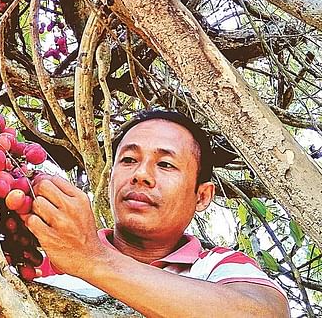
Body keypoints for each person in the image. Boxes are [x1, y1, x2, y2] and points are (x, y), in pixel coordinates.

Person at [24, 109, 290, 317]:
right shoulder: (44, 260)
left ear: (202, 196)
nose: (141, 175)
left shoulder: (217, 267)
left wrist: (93, 259)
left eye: (165, 164)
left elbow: (266, 313)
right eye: (129, 160)